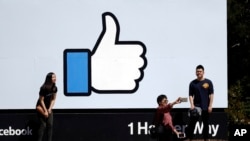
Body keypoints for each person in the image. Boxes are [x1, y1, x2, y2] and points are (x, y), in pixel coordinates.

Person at [186, 65, 214, 141]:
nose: (199, 73)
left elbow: (211, 94)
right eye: (197, 71)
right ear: (195, 72)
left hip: (206, 106)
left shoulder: (208, 82)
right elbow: (190, 95)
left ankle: (206, 139)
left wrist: (210, 106)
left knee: (206, 124)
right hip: (196, 107)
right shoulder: (192, 83)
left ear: (203, 72)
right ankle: (190, 138)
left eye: (200, 71)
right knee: (192, 124)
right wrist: (192, 105)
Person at [36, 72, 57, 141]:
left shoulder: (54, 88)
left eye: (55, 77)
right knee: (43, 125)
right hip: (41, 107)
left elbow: (53, 99)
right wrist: (45, 111)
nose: (55, 78)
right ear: (49, 78)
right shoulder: (43, 88)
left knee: (50, 125)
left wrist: (50, 109)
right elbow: (41, 100)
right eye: (53, 77)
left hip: (49, 108)